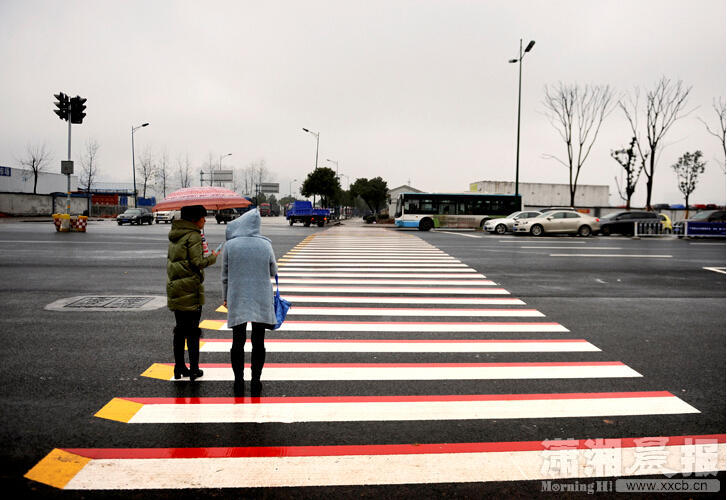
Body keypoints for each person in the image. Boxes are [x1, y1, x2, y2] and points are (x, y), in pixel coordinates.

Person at [221, 209, 277, 394]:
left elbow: (225, 276)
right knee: (258, 341)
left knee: (238, 340)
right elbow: (273, 271)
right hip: (260, 296)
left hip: (238, 296)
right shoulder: (266, 245)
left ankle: (238, 380)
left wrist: (225, 297)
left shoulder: (230, 245)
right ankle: (256, 380)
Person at [166, 205, 218, 381]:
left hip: (176, 286)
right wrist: (213, 257)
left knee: (180, 330)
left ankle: (179, 367)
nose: (205, 220)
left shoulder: (176, 234)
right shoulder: (194, 235)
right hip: (190, 288)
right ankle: (194, 369)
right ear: (195, 219)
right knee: (193, 330)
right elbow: (197, 262)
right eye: (203, 217)